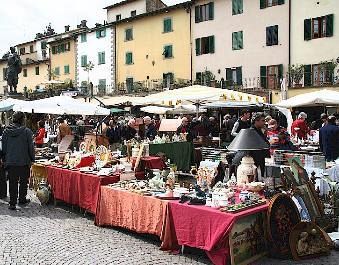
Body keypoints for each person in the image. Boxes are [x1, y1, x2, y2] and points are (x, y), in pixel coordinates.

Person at [1, 111, 35, 210]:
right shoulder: (27, 132)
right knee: (24, 181)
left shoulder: (6, 131)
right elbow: (31, 147)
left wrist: (4, 158)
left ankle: (12, 202)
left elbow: (4, 147)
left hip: (11, 161)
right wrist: (32, 158)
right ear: (22, 120)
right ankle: (22, 199)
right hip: (24, 161)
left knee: (12, 182)